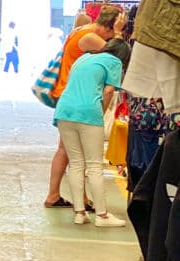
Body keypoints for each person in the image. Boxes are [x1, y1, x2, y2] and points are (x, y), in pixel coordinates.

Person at [44, 6, 122, 208]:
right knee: (75, 153)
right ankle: (72, 198)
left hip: (69, 96)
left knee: (67, 151)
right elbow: (116, 58)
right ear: (108, 26)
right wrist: (120, 35)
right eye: (113, 30)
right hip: (78, 98)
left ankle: (66, 196)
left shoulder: (81, 30)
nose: (113, 35)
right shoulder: (90, 37)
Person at [54, 39, 132, 226]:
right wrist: (102, 113)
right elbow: (108, 91)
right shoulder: (115, 62)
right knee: (95, 165)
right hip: (89, 111)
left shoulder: (85, 57)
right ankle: (102, 215)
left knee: (76, 163)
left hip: (64, 110)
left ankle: (79, 213)